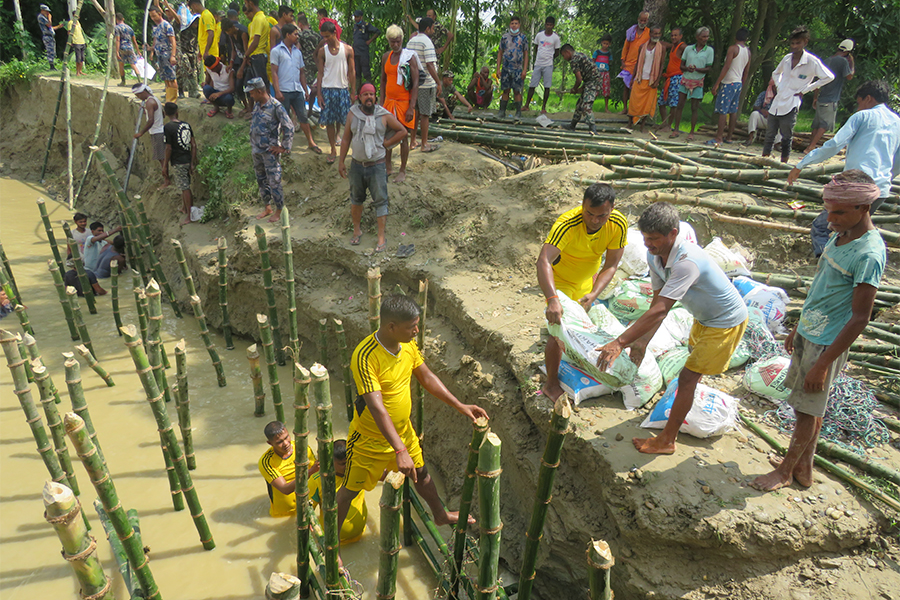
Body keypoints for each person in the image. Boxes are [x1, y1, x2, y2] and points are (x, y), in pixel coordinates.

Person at [751, 171, 885, 492]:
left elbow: (859, 318)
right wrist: (798, 326)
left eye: (839, 211)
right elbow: (821, 288)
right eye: (828, 209)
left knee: (806, 410)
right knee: (809, 407)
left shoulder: (868, 254)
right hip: (810, 333)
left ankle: (785, 471)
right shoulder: (841, 236)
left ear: (864, 207)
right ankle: (804, 468)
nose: (830, 218)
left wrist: (824, 363)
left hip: (827, 344)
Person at [597, 202, 748, 455]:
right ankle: (681, 410)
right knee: (690, 374)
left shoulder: (687, 262)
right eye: (645, 238)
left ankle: (667, 440)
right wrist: (642, 342)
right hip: (702, 318)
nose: (648, 244)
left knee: (688, 378)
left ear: (673, 234)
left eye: (654, 239)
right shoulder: (654, 255)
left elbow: (661, 310)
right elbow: (656, 301)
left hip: (724, 322)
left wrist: (620, 342)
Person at [339, 294, 489, 541]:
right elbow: (377, 408)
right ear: (391, 327)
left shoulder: (407, 345)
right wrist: (400, 451)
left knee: (422, 474)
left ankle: (439, 514)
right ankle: (333, 544)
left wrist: (460, 405)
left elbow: (427, 376)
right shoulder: (365, 356)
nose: (417, 331)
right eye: (412, 327)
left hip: (403, 431)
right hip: (369, 439)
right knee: (349, 491)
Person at [537, 183, 627, 400]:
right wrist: (552, 299)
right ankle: (550, 384)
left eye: (601, 216)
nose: (594, 220)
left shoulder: (617, 224)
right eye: (589, 213)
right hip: (561, 282)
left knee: (578, 329)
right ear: (583, 206)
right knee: (559, 328)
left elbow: (612, 264)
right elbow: (543, 261)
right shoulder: (567, 224)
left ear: (612, 209)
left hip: (587, 282)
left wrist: (595, 293)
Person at [789, 80, 900, 256]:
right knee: (852, 230)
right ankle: (850, 264)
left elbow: (834, 145)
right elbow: (898, 160)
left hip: (856, 188)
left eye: (859, 102)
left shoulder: (862, 117)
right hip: (880, 192)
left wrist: (802, 163)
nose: (858, 107)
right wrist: (886, 177)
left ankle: (827, 264)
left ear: (868, 98)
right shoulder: (897, 122)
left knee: (822, 227)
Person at [338, 83, 407, 252]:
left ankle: (381, 238)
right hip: (356, 165)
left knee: (381, 201)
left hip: (377, 165)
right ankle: (356, 231)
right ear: (360, 97)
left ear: (375, 97)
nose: (369, 97)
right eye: (365, 94)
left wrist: (388, 143)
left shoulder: (383, 115)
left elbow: (402, 131)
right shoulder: (352, 114)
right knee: (356, 199)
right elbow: (346, 138)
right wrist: (341, 162)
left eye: (372, 94)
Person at [762, 27, 833, 163]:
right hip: (778, 100)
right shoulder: (787, 59)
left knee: (786, 135)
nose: (794, 46)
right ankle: (764, 159)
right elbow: (776, 73)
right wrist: (779, 85)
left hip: (792, 101)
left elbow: (829, 77)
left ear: (805, 42)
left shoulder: (812, 61)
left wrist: (807, 89)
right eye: (792, 43)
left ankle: (784, 162)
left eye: (797, 43)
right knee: (770, 133)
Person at [246, 77, 294, 223]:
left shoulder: (276, 107)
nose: (251, 96)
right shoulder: (258, 105)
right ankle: (267, 207)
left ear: (260, 91)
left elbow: (289, 126)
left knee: (274, 181)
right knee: (261, 179)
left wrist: (284, 147)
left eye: (252, 93)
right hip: (257, 150)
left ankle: (279, 210)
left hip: (269, 152)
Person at [270, 23, 321, 154]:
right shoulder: (276, 51)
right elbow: (274, 72)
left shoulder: (298, 53)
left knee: (303, 116)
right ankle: (283, 144)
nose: (297, 36)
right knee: (283, 118)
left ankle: (311, 142)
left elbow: (302, 72)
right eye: (295, 34)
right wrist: (277, 91)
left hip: (297, 90)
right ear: (287, 35)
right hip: (284, 90)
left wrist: (305, 90)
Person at [379, 24, 419, 183]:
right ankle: (388, 166)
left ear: (402, 40)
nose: (395, 45)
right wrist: (381, 103)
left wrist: (411, 107)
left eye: (398, 41)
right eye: (392, 42)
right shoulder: (385, 57)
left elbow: (415, 83)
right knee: (386, 134)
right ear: (388, 41)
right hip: (388, 103)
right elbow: (383, 81)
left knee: (403, 137)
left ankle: (402, 170)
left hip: (404, 103)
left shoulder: (410, 58)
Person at [308, 439, 367, 544]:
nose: (348, 465)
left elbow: (383, 475)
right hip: (334, 543)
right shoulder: (318, 480)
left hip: (361, 537)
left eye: (350, 460)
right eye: (343, 463)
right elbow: (307, 510)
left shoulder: (359, 471)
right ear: (330, 462)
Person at [804, 39, 855, 154]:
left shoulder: (827, 60)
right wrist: (852, 64)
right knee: (825, 125)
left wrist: (815, 97)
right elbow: (849, 76)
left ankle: (809, 146)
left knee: (817, 124)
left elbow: (818, 81)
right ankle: (810, 148)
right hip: (831, 99)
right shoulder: (843, 61)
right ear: (848, 52)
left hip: (821, 97)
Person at [259, 421, 319, 518]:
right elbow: (285, 489)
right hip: (283, 512)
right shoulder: (266, 462)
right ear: (270, 443)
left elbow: (317, 475)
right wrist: (310, 472)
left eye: (287, 437)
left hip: (307, 505)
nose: (286, 444)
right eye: (279, 442)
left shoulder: (302, 448)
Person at [316, 21, 355, 164]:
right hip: (327, 89)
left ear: (334, 33)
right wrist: (319, 94)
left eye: (327, 36)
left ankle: (347, 149)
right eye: (323, 37)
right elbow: (320, 73)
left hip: (343, 89)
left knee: (346, 121)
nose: (325, 40)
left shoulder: (348, 50)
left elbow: (352, 72)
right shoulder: (322, 51)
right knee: (330, 122)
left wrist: (353, 92)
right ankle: (333, 148)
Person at [669, 27, 714, 141]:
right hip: (686, 79)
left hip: (698, 81)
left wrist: (697, 69)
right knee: (680, 105)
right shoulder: (688, 49)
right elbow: (681, 66)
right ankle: (676, 129)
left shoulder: (709, 51)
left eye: (707, 36)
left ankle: (692, 132)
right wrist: (687, 69)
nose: (705, 39)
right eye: (703, 36)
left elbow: (708, 68)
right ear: (697, 37)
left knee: (694, 107)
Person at [708, 28, 750, 145]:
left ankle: (719, 138)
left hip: (728, 83)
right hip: (738, 83)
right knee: (733, 111)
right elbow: (746, 71)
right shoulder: (747, 52)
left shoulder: (733, 49)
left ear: (735, 37)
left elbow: (726, 67)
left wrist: (717, 84)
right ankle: (729, 137)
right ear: (746, 39)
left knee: (723, 110)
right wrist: (742, 83)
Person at [407, 18, 440, 152]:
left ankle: (413, 141)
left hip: (414, 84)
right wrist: (438, 82)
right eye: (432, 28)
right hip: (426, 83)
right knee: (425, 115)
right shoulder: (427, 42)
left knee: (415, 112)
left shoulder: (411, 41)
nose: (433, 30)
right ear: (427, 28)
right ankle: (424, 144)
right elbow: (430, 64)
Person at [163, 102, 198, 224]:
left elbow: (168, 148)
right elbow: (193, 145)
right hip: (187, 158)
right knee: (184, 185)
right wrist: (192, 162)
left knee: (185, 187)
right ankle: (184, 208)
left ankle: (190, 216)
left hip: (178, 162)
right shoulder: (186, 125)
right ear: (177, 112)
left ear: (165, 113)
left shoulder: (168, 127)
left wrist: (165, 165)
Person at [627, 25, 665, 131]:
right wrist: (632, 78)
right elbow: (638, 62)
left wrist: (657, 80)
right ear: (650, 34)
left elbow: (661, 65)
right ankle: (630, 123)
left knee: (646, 105)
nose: (656, 35)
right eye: (654, 33)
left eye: (658, 33)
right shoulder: (642, 47)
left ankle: (642, 126)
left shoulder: (662, 48)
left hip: (651, 80)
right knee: (634, 102)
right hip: (640, 78)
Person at [162, 0, 200, 99]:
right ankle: (182, 91)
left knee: (193, 71)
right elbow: (178, 19)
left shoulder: (195, 26)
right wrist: (167, 6)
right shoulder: (182, 23)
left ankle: (193, 92)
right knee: (184, 70)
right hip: (181, 50)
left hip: (192, 51)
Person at [524, 16, 561, 115]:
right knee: (532, 85)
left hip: (548, 65)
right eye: (547, 25)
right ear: (545, 25)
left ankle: (543, 107)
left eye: (550, 25)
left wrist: (550, 57)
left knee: (547, 86)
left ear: (553, 26)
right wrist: (539, 57)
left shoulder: (555, 38)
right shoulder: (539, 35)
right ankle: (526, 105)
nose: (548, 27)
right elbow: (536, 47)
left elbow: (557, 52)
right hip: (538, 64)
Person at [560, 44, 601, 134]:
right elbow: (587, 73)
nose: (564, 58)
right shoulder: (580, 55)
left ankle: (593, 129)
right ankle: (572, 125)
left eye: (563, 55)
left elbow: (579, 79)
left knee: (586, 106)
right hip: (591, 80)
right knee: (579, 105)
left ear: (567, 52)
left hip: (593, 82)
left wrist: (574, 89)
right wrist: (581, 88)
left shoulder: (574, 60)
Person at [132, 83, 167, 184]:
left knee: (162, 158)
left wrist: (141, 133)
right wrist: (146, 111)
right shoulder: (155, 99)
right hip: (160, 130)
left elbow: (151, 120)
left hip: (157, 133)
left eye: (138, 95)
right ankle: (166, 178)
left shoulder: (149, 102)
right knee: (162, 157)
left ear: (143, 92)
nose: (138, 97)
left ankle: (167, 180)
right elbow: (162, 114)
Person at [496, 15, 528, 119]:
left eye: (516, 23)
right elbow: (500, 53)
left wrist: (524, 70)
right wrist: (498, 68)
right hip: (506, 68)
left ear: (519, 25)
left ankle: (518, 113)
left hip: (518, 69)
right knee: (506, 90)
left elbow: (526, 54)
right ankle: (502, 112)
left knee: (517, 91)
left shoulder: (523, 38)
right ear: (510, 25)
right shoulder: (504, 37)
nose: (514, 25)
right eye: (512, 23)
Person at [618, 12, 650, 114]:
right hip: (628, 64)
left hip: (640, 64)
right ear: (638, 19)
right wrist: (623, 60)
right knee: (626, 87)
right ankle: (624, 108)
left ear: (647, 21)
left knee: (635, 88)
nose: (642, 22)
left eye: (645, 21)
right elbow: (625, 47)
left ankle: (633, 109)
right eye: (641, 20)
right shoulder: (631, 31)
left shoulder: (649, 33)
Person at [239, 0, 272, 99]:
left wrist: (246, 55)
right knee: (249, 84)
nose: (245, 6)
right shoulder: (257, 18)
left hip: (258, 56)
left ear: (250, 3)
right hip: (254, 56)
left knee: (262, 86)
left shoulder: (259, 19)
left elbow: (255, 42)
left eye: (246, 3)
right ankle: (253, 108)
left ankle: (269, 108)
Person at [148, 6, 179, 103]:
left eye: (154, 16)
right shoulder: (155, 28)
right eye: (151, 17)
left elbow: (173, 42)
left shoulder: (167, 25)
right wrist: (151, 49)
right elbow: (156, 42)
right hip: (159, 56)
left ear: (159, 14)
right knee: (165, 78)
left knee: (171, 77)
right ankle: (168, 96)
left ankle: (173, 99)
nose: (153, 18)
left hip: (167, 55)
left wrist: (173, 56)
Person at [656, 27, 684, 131]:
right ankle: (664, 123)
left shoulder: (682, 47)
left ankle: (669, 125)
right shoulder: (673, 46)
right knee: (661, 102)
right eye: (672, 35)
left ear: (681, 36)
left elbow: (691, 50)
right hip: (669, 78)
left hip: (677, 78)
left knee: (673, 104)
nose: (673, 37)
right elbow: (663, 43)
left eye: (676, 35)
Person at [221, 18, 249, 112]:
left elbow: (246, 53)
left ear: (233, 27)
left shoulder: (243, 34)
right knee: (237, 86)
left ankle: (251, 108)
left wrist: (241, 68)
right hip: (240, 61)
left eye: (228, 30)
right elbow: (234, 50)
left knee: (247, 84)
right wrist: (231, 63)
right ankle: (246, 106)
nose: (228, 33)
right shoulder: (231, 35)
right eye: (226, 32)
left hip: (247, 62)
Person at [297, 13, 322, 114]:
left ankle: (307, 108)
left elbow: (298, 49)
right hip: (316, 63)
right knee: (316, 85)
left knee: (306, 86)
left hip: (306, 63)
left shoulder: (301, 35)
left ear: (300, 24)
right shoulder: (317, 35)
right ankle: (316, 105)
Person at [352, 9, 381, 85]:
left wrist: (370, 40)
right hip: (356, 52)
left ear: (361, 17)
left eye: (357, 17)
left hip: (363, 52)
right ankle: (357, 93)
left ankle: (370, 89)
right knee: (357, 73)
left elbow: (377, 31)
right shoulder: (355, 26)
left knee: (366, 72)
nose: (356, 18)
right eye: (355, 17)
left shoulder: (366, 25)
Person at [115, 13, 140, 86]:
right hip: (130, 47)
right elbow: (134, 41)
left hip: (122, 48)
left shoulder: (117, 28)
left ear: (116, 19)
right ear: (123, 19)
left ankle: (123, 82)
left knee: (121, 65)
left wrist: (117, 51)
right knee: (133, 64)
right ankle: (139, 80)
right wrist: (138, 50)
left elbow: (117, 40)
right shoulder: (130, 28)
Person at [591, 34, 612, 112]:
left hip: (605, 73)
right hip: (597, 72)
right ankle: (590, 107)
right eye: (604, 43)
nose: (605, 45)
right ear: (601, 43)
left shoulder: (609, 54)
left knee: (606, 89)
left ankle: (606, 108)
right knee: (595, 89)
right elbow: (593, 61)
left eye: (607, 44)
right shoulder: (597, 52)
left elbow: (609, 62)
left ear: (609, 44)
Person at [37, 4, 63, 69]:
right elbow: (49, 24)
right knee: (50, 51)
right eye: (46, 11)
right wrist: (49, 18)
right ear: (42, 10)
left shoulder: (44, 17)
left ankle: (52, 65)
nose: (47, 13)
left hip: (50, 35)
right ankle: (51, 66)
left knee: (53, 51)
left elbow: (51, 28)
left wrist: (58, 27)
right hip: (47, 36)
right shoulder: (41, 17)